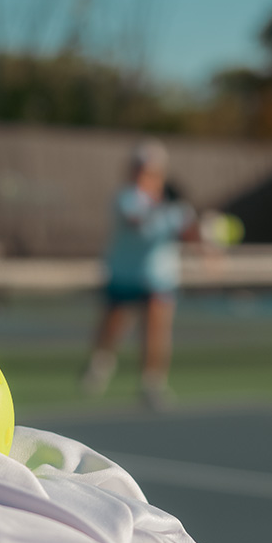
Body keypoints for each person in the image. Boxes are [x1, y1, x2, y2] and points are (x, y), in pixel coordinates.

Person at [80, 140, 199, 410]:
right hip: (124, 273)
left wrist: (201, 234)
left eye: (149, 169)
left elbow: (191, 234)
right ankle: (100, 365)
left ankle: (152, 383)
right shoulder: (126, 198)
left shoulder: (175, 205)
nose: (143, 174)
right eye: (139, 168)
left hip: (159, 277)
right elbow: (138, 224)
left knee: (156, 329)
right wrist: (170, 210)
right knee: (112, 325)